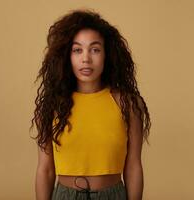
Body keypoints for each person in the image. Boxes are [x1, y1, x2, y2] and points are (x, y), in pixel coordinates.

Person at [30, 8, 151, 200]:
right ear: (67, 57)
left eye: (95, 49)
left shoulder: (127, 104)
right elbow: (45, 170)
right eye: (77, 50)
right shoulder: (52, 106)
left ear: (107, 55)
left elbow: (134, 166)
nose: (86, 58)